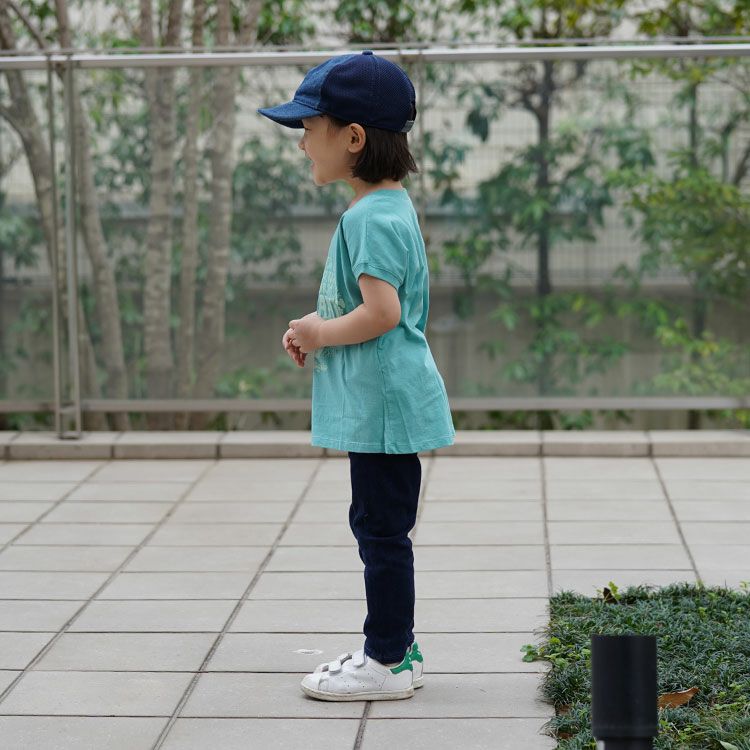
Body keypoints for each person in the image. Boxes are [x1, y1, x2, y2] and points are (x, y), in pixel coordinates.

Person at [258, 50, 455, 702]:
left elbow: (381, 314)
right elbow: (367, 306)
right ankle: (400, 649)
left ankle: (386, 659)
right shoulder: (389, 208)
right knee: (382, 529)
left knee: (379, 533)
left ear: (353, 138)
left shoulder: (368, 217)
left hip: (384, 411)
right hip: (387, 406)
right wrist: (313, 325)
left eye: (309, 129)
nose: (302, 143)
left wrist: (319, 334)